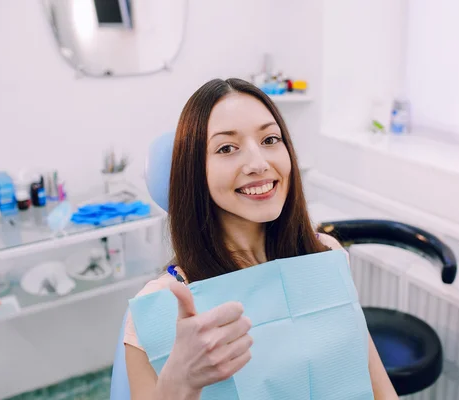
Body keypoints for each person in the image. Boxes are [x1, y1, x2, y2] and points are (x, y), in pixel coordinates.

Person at [124, 78, 399, 399]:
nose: (259, 163)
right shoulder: (157, 308)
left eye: (270, 139)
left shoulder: (326, 254)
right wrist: (177, 383)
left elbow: (377, 385)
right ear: (195, 172)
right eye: (227, 148)